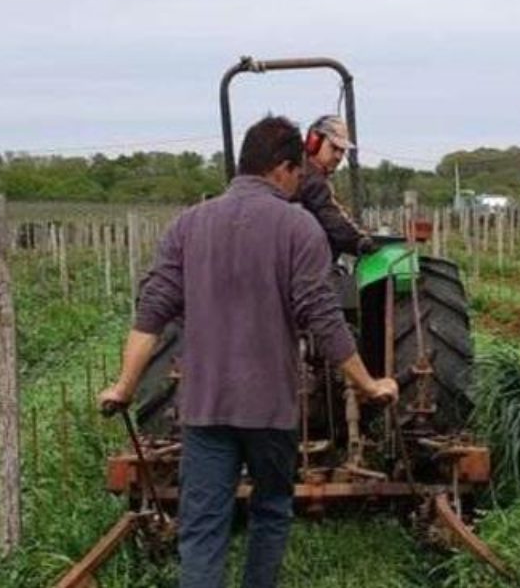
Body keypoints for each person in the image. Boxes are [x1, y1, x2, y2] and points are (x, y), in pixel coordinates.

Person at [97, 115, 398, 588]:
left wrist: (125, 387)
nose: (301, 180)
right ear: (282, 167)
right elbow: (324, 318)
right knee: (272, 511)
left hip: (205, 407)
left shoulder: (187, 226)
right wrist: (368, 383)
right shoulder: (300, 229)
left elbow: (151, 312)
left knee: (202, 524)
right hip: (270, 411)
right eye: (298, 171)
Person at [296, 114, 377, 258]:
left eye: (342, 151)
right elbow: (332, 218)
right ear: (314, 142)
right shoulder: (312, 179)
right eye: (334, 148)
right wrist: (359, 242)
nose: (339, 157)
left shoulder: (299, 169)